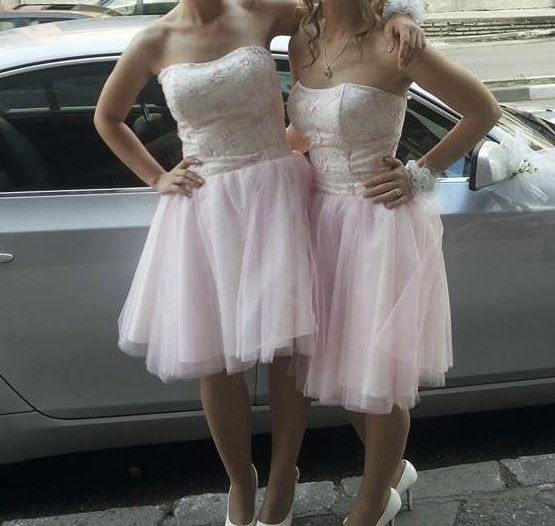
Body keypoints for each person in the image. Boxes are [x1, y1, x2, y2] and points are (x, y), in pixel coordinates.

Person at [93, 1, 426, 525]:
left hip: (276, 199)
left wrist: (402, 15)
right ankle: (241, 481)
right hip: (205, 210)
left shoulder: (264, 10)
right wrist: (157, 176)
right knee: (216, 362)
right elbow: (107, 117)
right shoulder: (153, 40)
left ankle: (283, 477)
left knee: (288, 352)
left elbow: (339, 16)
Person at [286, 1, 502, 525]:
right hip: (320, 220)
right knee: (344, 371)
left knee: (377, 377)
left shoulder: (396, 42)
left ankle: (372, 502)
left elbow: (484, 110)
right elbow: (303, 132)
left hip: (376, 225)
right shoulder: (302, 37)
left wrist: (418, 173)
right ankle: (394, 471)